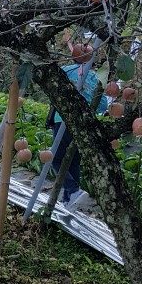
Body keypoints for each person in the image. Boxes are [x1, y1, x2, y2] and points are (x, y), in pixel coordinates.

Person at [50, 61, 107, 208]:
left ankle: (73, 190)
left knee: (55, 159)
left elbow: (53, 90)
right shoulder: (96, 78)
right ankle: (68, 200)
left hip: (63, 120)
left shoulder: (66, 70)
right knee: (73, 161)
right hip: (84, 124)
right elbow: (103, 106)